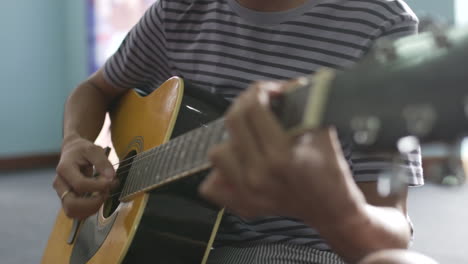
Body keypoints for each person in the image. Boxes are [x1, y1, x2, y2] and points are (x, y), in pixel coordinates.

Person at [53, 0, 423, 263]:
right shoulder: (176, 12)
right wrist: (75, 143)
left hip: (301, 249)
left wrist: (334, 207)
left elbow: (391, 238)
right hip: (165, 244)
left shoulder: (380, 22)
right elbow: (95, 89)